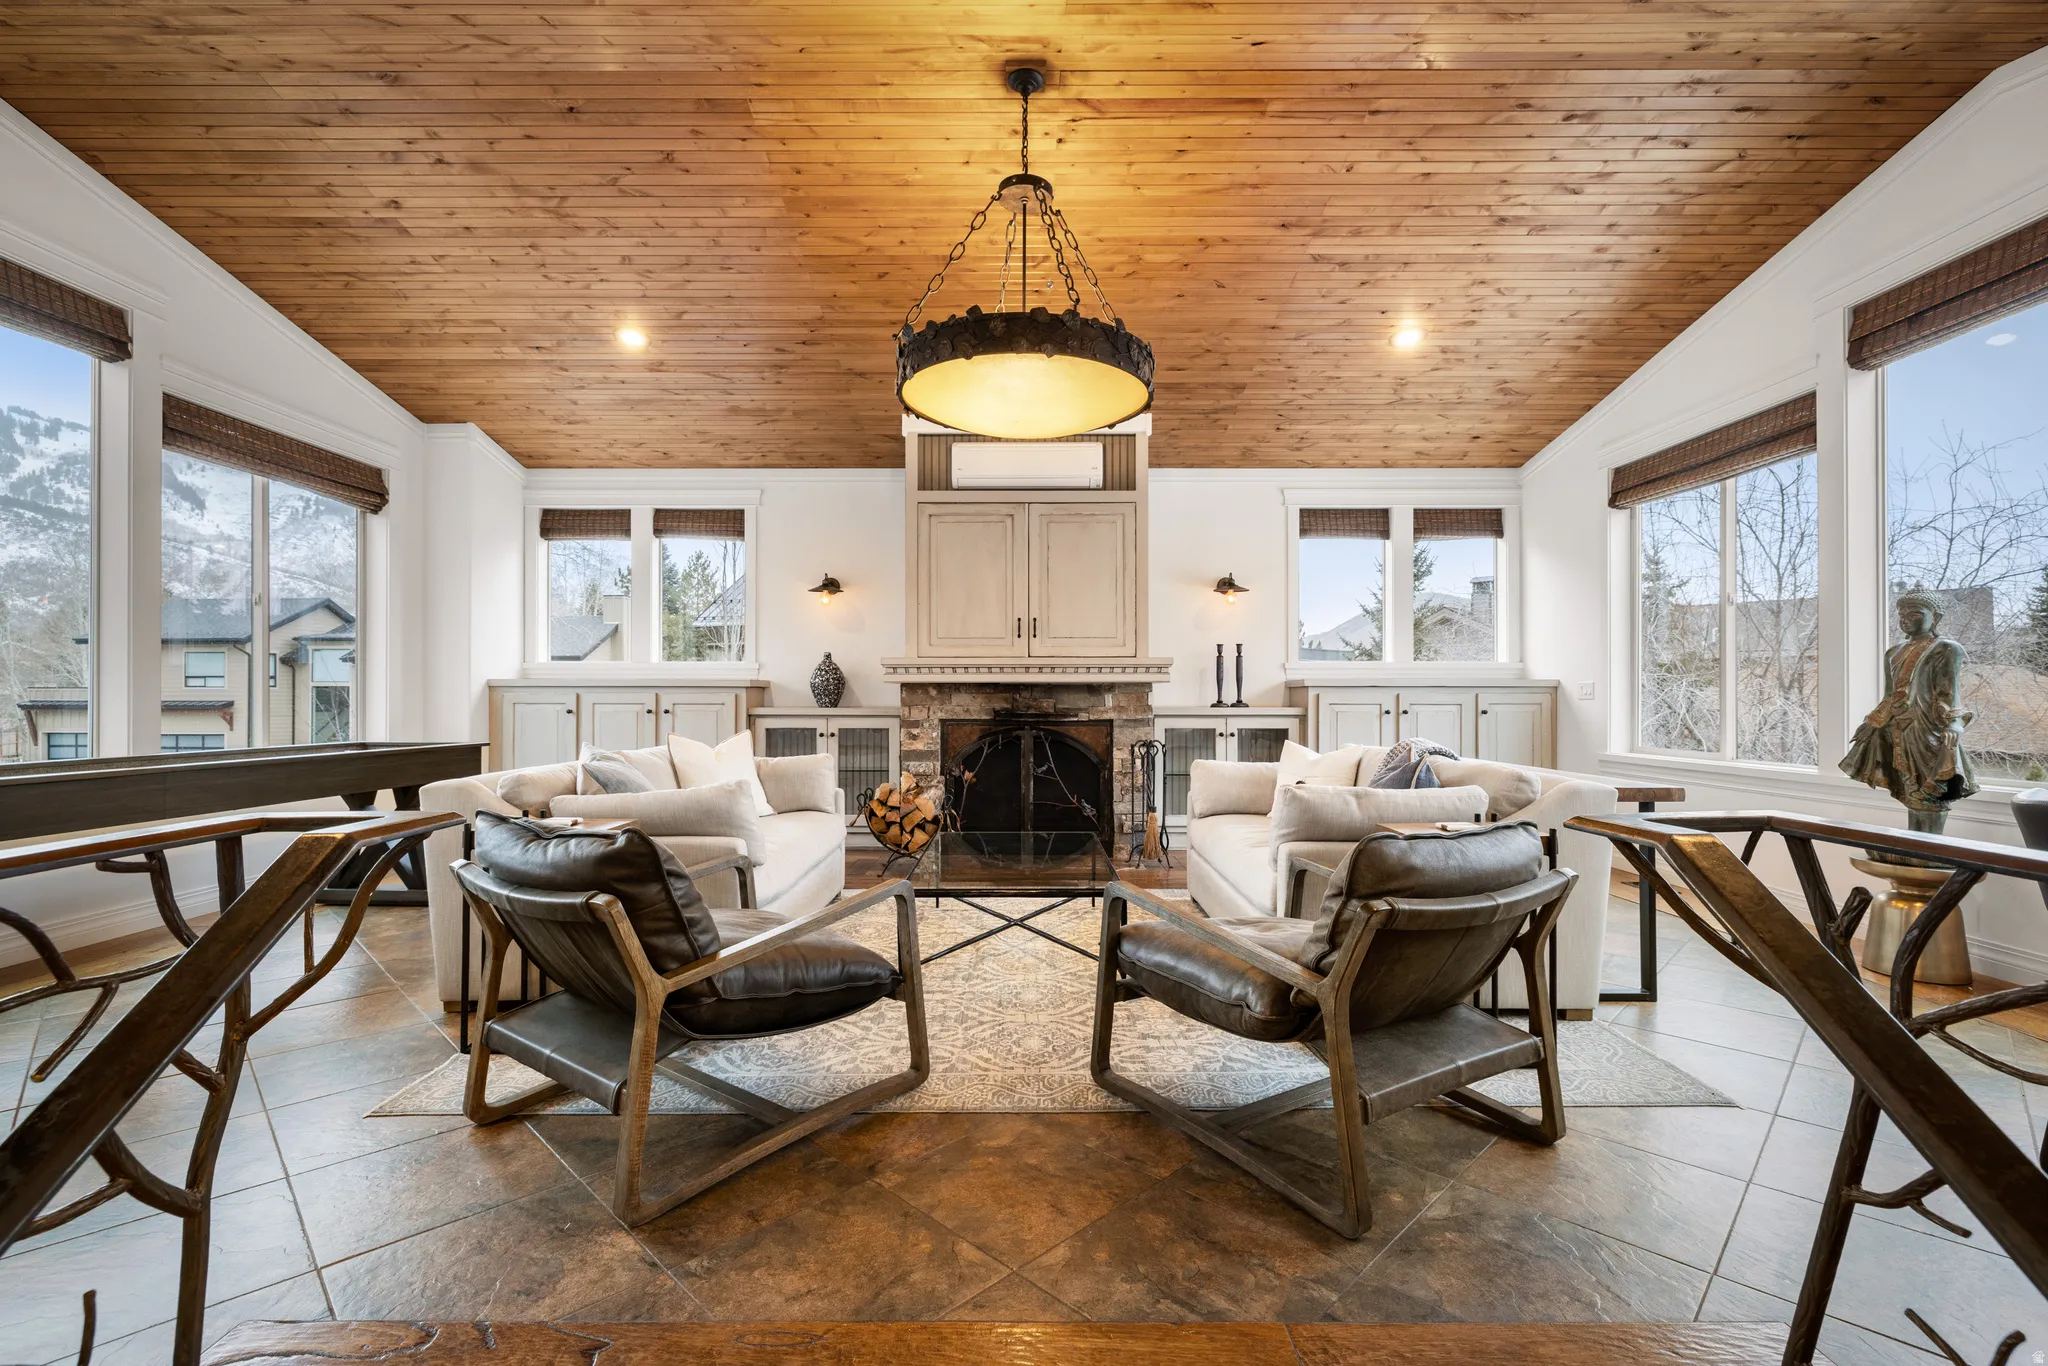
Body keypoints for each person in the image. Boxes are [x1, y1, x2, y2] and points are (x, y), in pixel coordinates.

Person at [1839, 590, 1978, 835]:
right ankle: (1917, 850)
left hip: (1929, 729)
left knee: (1931, 794)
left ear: (1935, 617)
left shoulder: (1945, 648)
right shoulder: (1893, 652)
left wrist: (1955, 724)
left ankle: (1928, 851)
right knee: (1910, 791)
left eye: (1915, 613)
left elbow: (1949, 693)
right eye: (1901, 614)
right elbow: (1890, 695)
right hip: (1897, 729)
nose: (1905, 619)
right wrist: (1872, 722)